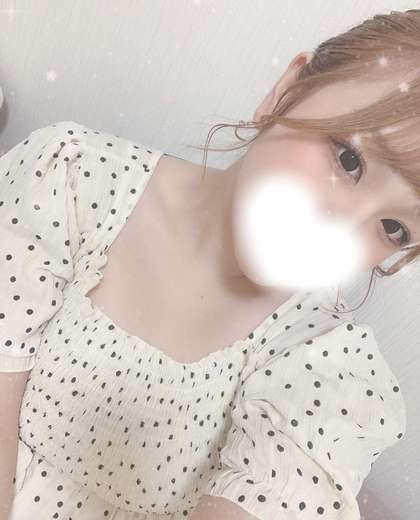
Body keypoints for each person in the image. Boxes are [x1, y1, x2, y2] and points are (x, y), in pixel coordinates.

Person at [1, 8, 419, 520]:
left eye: (394, 229)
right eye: (349, 159)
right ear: (286, 92)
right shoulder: (71, 177)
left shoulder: (327, 368)